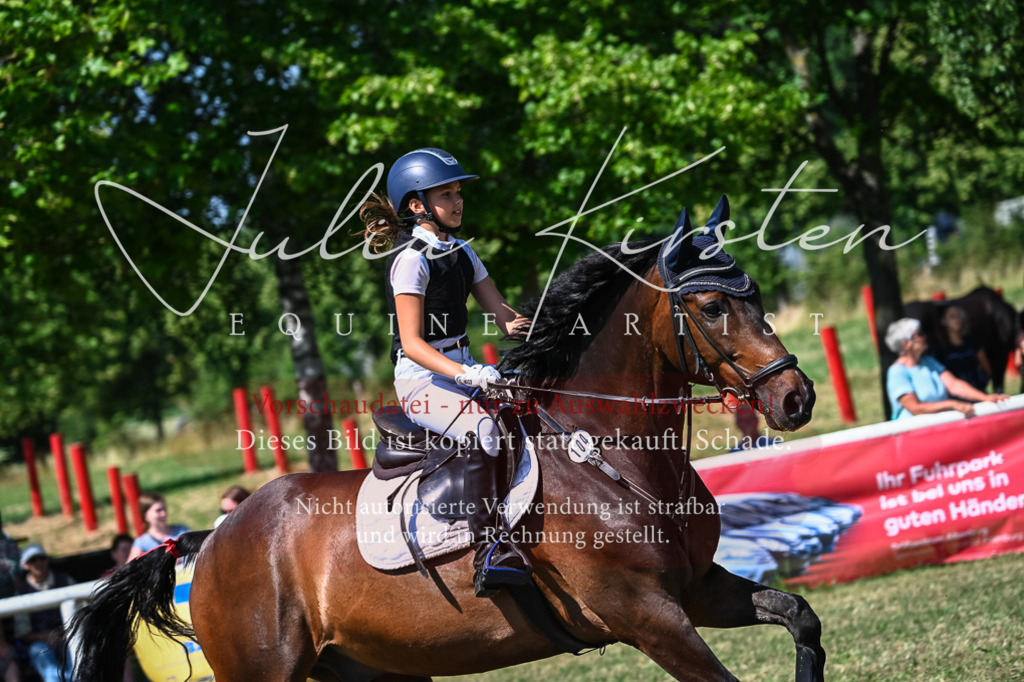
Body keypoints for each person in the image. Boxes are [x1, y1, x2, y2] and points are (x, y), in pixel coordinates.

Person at [360, 147, 531, 598]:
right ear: (417, 205)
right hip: (421, 380)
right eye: (446, 194)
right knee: (482, 431)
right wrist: (467, 374)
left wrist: (551, 328)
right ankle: (489, 549)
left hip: (466, 369)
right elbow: (413, 344)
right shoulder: (410, 259)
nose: (457, 202)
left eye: (458, 192)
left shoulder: (462, 251)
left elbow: (504, 316)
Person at [885, 318, 1006, 420]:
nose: (925, 337)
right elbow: (915, 408)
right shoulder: (897, 372)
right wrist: (952, 404)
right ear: (905, 344)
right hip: (913, 437)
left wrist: (986, 398)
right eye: (919, 334)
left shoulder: (929, 362)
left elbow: (954, 385)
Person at [13, 544, 75, 682]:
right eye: (32, 560)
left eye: (41, 558)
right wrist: (45, 636)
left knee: (76, 658)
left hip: (68, 636)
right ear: (26, 565)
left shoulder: (65, 581)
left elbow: (81, 616)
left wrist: (63, 633)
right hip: (39, 643)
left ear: (47, 559)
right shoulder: (22, 592)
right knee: (45, 663)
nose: (38, 563)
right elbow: (22, 633)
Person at [931, 304, 990, 392]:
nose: (957, 319)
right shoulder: (938, 350)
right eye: (952, 317)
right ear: (943, 321)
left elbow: (986, 367)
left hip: (979, 391)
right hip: (957, 398)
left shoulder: (972, 342)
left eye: (959, 315)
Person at [127, 492, 191, 561]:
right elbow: (130, 569)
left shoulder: (182, 531)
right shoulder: (141, 543)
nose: (164, 514)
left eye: (164, 509)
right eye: (158, 510)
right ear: (146, 516)